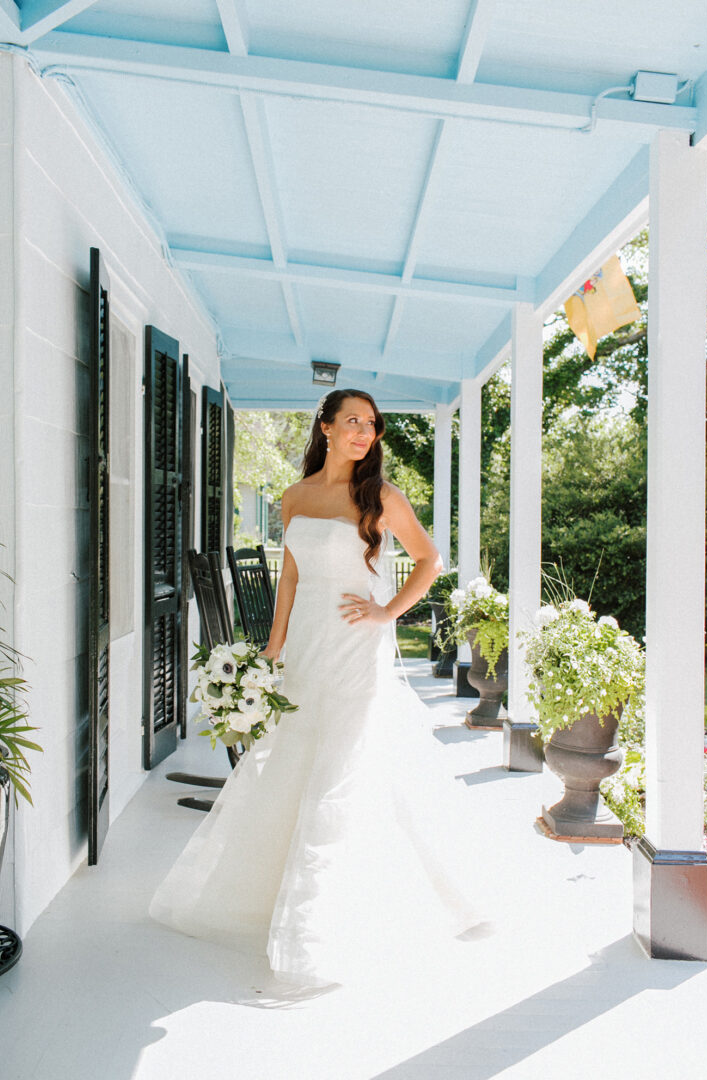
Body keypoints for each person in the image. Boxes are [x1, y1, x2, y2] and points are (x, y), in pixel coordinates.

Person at [150, 388, 481, 987]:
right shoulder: (295, 496)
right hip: (305, 645)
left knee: (343, 763)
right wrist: (273, 647)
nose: (363, 432)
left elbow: (429, 560)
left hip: (356, 646)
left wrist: (388, 613)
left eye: (371, 425)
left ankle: (322, 924)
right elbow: (291, 577)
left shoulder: (380, 496)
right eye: (351, 421)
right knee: (296, 755)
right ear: (325, 427)